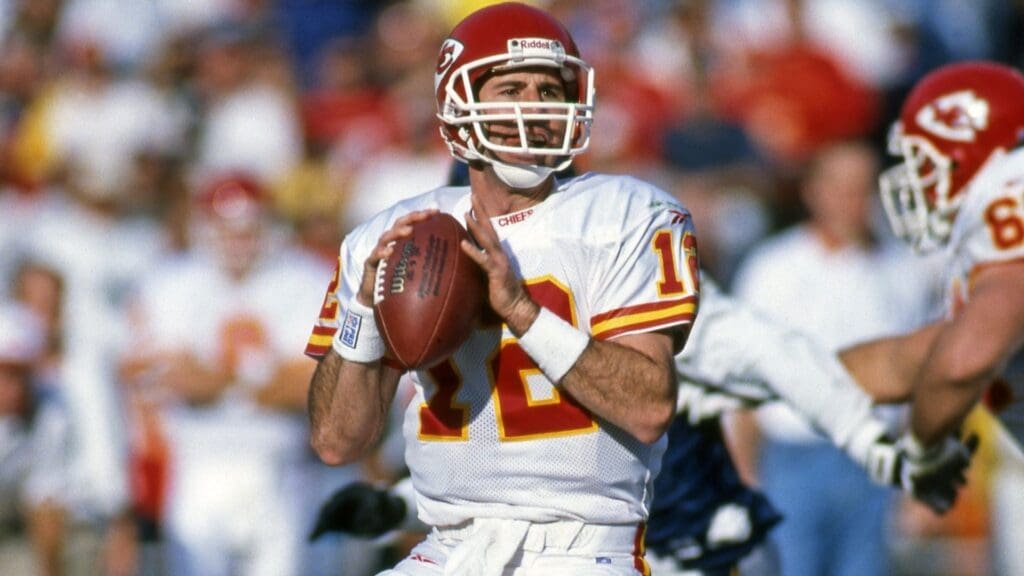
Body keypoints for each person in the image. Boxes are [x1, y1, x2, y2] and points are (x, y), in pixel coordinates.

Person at [305, 3, 699, 573]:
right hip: (448, 548)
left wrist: (522, 311)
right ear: (457, 106)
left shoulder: (626, 214)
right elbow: (337, 441)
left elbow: (647, 406)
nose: (536, 108)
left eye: (549, 90)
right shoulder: (394, 235)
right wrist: (364, 314)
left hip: (581, 548)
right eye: (512, 88)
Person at [308, 276, 977, 575]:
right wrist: (398, 504)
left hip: (696, 550)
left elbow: (781, 357)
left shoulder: (629, 294)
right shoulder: (485, 337)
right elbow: (521, 480)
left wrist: (876, 447)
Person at [839, 60, 1024, 575]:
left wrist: (923, 452)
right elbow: (919, 356)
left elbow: (964, 360)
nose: (915, 180)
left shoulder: (1009, 193)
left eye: (924, 161)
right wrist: (771, 373)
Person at [727, 138, 942, 576]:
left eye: (863, 187)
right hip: (794, 457)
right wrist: (743, 473)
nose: (853, 201)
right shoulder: (774, 269)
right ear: (814, 191)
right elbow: (743, 379)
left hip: (877, 463)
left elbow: (928, 377)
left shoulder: (905, 269)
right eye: (841, 187)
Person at [119, 172, 330, 576]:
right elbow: (168, 377)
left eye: (249, 228)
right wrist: (261, 373)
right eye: (226, 228)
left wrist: (214, 376)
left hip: (280, 460)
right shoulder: (170, 282)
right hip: (198, 459)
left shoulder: (305, 279)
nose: (238, 241)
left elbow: (312, 385)